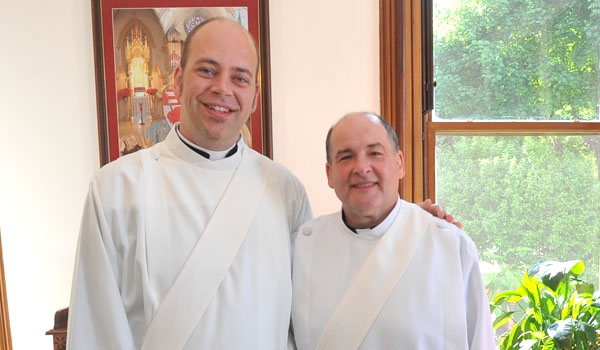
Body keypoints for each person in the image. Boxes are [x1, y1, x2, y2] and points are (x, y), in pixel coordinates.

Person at [67, 18, 458, 349]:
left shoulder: (283, 189)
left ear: (254, 96)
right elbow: (95, 330)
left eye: (240, 77)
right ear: (176, 78)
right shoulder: (115, 190)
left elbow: (326, 287)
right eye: (207, 70)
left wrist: (402, 227)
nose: (223, 88)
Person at [291, 112, 495, 349]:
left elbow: (481, 342)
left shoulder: (450, 245)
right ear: (330, 174)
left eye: (375, 153)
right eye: (346, 157)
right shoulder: (302, 248)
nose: (362, 167)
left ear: (399, 164)